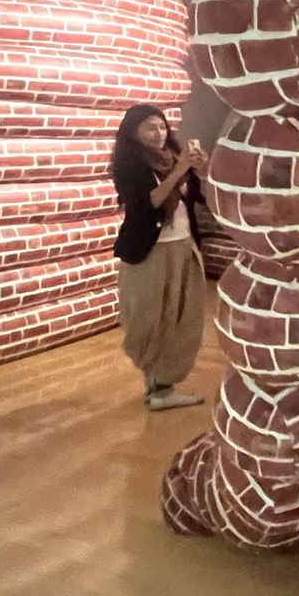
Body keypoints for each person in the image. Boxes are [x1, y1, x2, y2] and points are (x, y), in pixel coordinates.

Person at [109, 103, 210, 411]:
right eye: (150, 127)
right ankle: (156, 386)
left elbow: (200, 198)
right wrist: (180, 170)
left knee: (182, 314)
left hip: (183, 243)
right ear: (133, 131)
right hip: (150, 249)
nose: (159, 133)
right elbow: (149, 201)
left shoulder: (174, 159)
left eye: (162, 126)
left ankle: (164, 386)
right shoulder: (130, 165)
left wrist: (200, 170)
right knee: (150, 316)